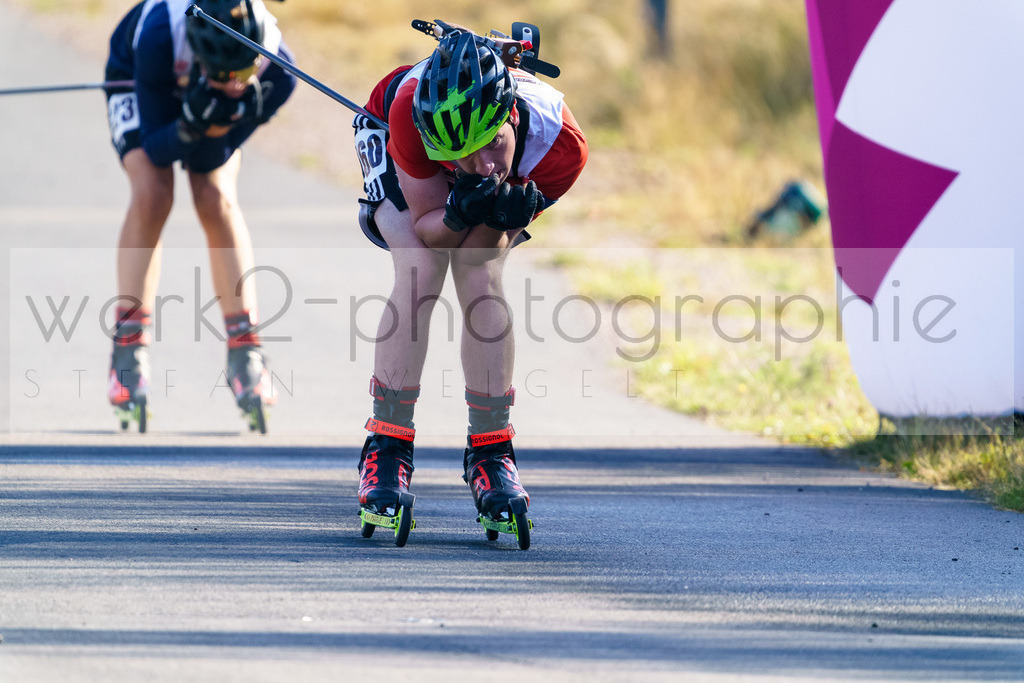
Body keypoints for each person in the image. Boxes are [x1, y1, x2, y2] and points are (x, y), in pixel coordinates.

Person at [351, 26, 588, 533]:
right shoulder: (408, 115)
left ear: (511, 117)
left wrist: (495, 212)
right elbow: (432, 231)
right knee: (420, 266)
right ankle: (387, 446)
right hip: (395, 131)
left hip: (485, 160)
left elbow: (480, 253)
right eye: (461, 157)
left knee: (480, 276)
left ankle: (491, 451)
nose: (480, 165)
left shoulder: (558, 145)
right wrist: (457, 211)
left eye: (492, 145)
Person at [103, 0, 296, 432]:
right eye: (220, 76)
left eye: (241, 76)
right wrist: (190, 123)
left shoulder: (279, 70)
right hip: (140, 69)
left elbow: (210, 158)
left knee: (213, 195)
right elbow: (156, 147)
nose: (232, 86)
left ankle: (246, 350)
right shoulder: (156, 35)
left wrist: (215, 118)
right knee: (153, 193)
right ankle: (128, 348)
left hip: (199, 78)